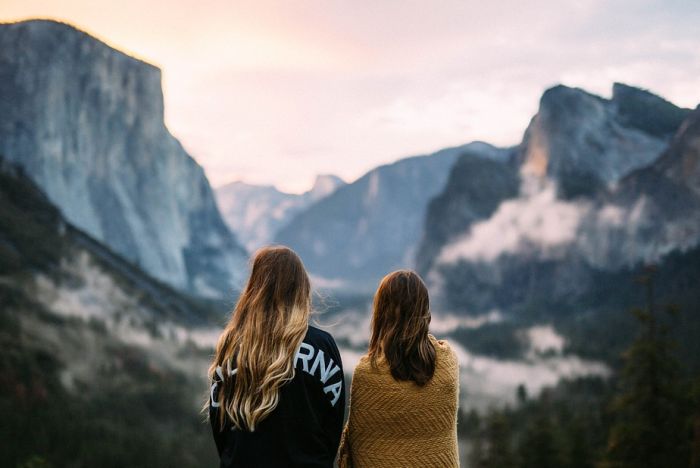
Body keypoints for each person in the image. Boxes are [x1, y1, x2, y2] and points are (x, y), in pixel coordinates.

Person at [208, 246, 345, 467]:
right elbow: (333, 425)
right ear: (301, 289)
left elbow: (220, 426)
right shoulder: (323, 345)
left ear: (254, 288)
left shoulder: (231, 345)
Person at [338, 270, 459, 467]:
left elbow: (359, 447)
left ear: (381, 314)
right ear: (425, 313)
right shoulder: (447, 363)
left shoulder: (367, 374)